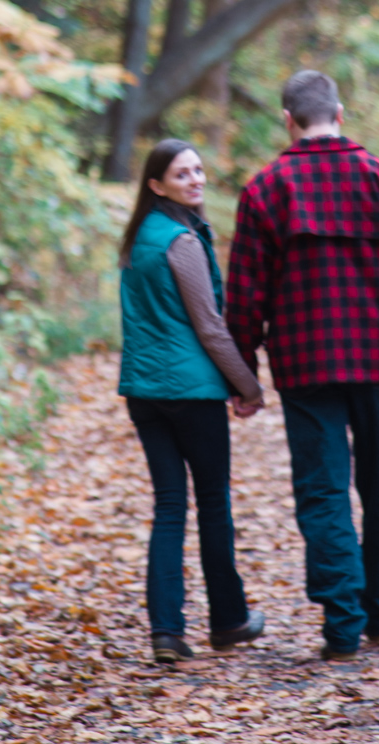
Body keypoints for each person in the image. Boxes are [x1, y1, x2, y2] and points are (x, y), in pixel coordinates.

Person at [225, 69, 379, 661]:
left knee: (322, 491)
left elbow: (245, 292)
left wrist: (242, 375)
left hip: (305, 365)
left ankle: (343, 620)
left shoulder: (265, 190)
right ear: (340, 112)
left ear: (288, 119)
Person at [119, 137, 266, 666]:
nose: (196, 180)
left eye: (199, 170)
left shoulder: (139, 238)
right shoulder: (181, 241)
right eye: (182, 175)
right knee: (212, 503)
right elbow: (209, 326)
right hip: (189, 393)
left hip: (143, 391)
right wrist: (248, 386)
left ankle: (166, 630)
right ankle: (227, 621)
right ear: (157, 185)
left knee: (168, 507)